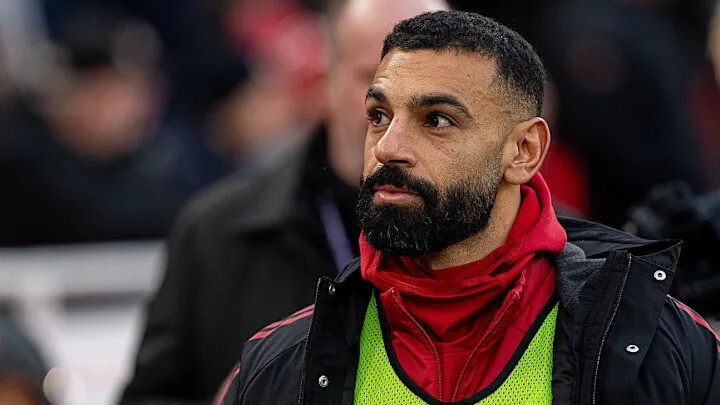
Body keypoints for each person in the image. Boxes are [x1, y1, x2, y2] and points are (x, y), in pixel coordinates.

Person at [219, 11, 720, 404]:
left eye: (437, 120)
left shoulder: (664, 348)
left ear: (524, 151)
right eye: (379, 115)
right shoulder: (278, 366)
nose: (388, 147)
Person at [120, 0, 449, 402]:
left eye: (428, 86)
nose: (401, 110)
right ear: (326, 82)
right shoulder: (217, 233)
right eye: (376, 79)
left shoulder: (493, 225)